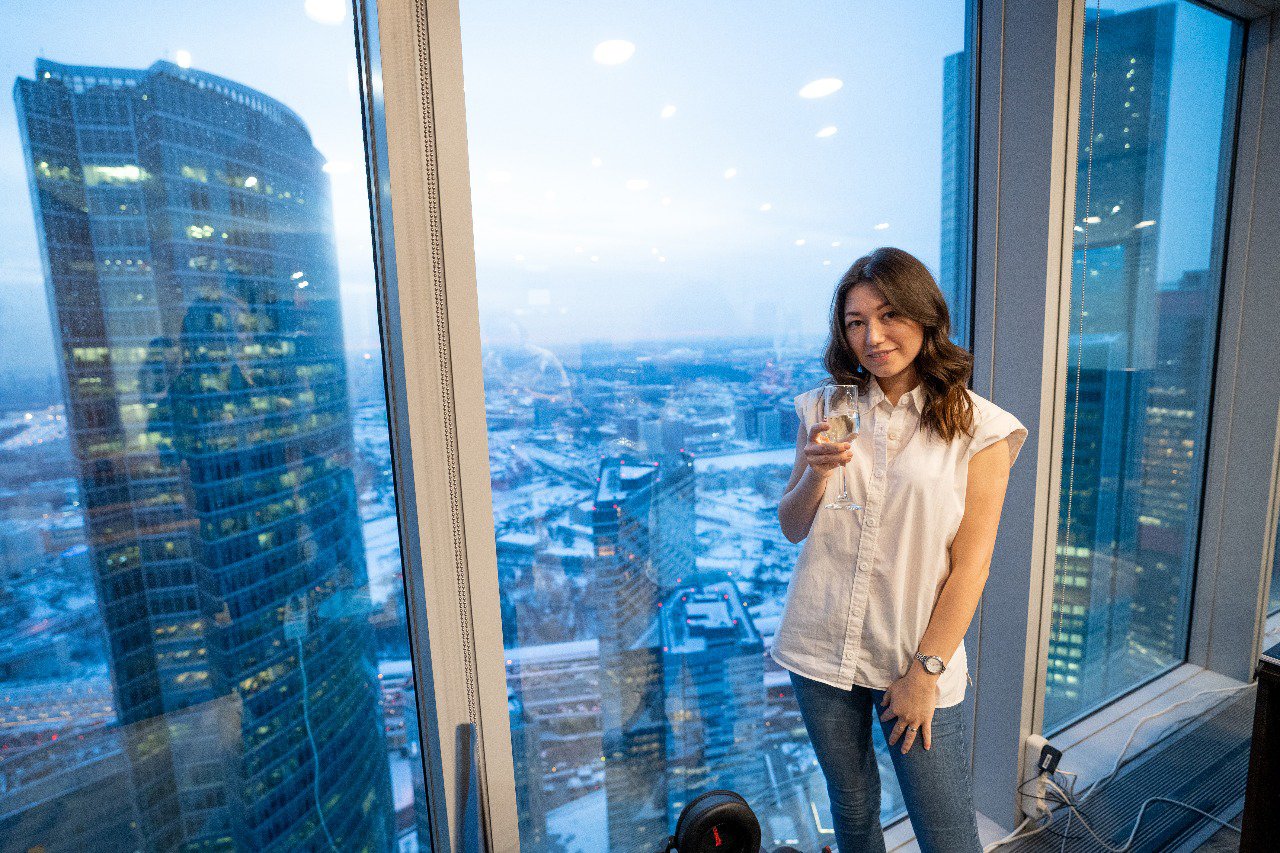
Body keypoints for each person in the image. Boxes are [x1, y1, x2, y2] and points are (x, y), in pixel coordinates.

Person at [773, 247, 1027, 853]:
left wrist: (925, 672)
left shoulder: (980, 428)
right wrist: (817, 473)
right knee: (853, 808)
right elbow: (791, 526)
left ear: (924, 316)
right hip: (820, 646)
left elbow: (972, 566)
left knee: (945, 829)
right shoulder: (825, 408)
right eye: (856, 322)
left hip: (912, 659)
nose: (873, 337)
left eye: (889, 315)